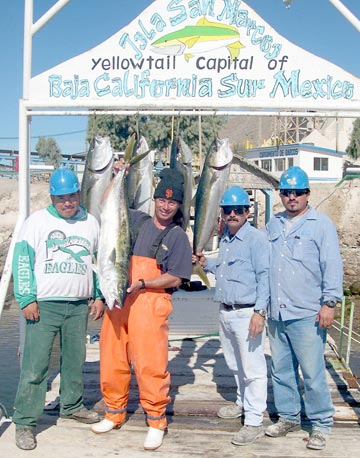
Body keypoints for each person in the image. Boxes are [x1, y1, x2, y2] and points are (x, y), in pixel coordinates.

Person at [91, 168, 193, 451]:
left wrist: (144, 282)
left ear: (178, 206)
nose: (165, 206)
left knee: (150, 364)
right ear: (156, 199)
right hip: (119, 299)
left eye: (172, 202)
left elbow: (177, 275)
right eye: (162, 200)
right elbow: (105, 203)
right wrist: (118, 174)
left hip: (150, 302)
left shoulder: (177, 237)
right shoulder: (137, 220)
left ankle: (156, 420)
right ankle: (114, 412)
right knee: (112, 358)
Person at [12, 168, 105, 451]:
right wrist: (26, 299)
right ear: (52, 197)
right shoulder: (36, 222)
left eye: (72, 196)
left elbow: (98, 263)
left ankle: (72, 405)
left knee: (74, 361)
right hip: (44, 306)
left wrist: (99, 295)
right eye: (62, 198)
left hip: (78, 305)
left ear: (79, 194)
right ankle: (25, 422)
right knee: (35, 365)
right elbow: (22, 260)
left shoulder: (91, 222)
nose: (68, 203)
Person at [264, 166, 343, 451]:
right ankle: (288, 416)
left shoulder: (321, 225)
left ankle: (321, 423)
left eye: (298, 192)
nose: (292, 197)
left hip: (307, 313)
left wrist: (329, 303)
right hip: (277, 312)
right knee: (281, 370)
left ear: (307, 194)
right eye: (287, 192)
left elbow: (331, 265)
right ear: (281, 195)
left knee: (312, 372)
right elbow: (260, 261)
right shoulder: (272, 225)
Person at [194, 185, 269, 446]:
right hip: (225, 311)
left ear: (247, 212)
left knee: (253, 368)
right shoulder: (226, 239)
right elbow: (225, 269)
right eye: (228, 210)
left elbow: (264, 277)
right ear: (223, 213)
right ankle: (241, 403)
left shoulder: (256, 239)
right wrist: (207, 264)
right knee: (235, 364)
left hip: (246, 313)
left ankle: (254, 421)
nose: (233, 214)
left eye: (238, 210)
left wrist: (260, 312)